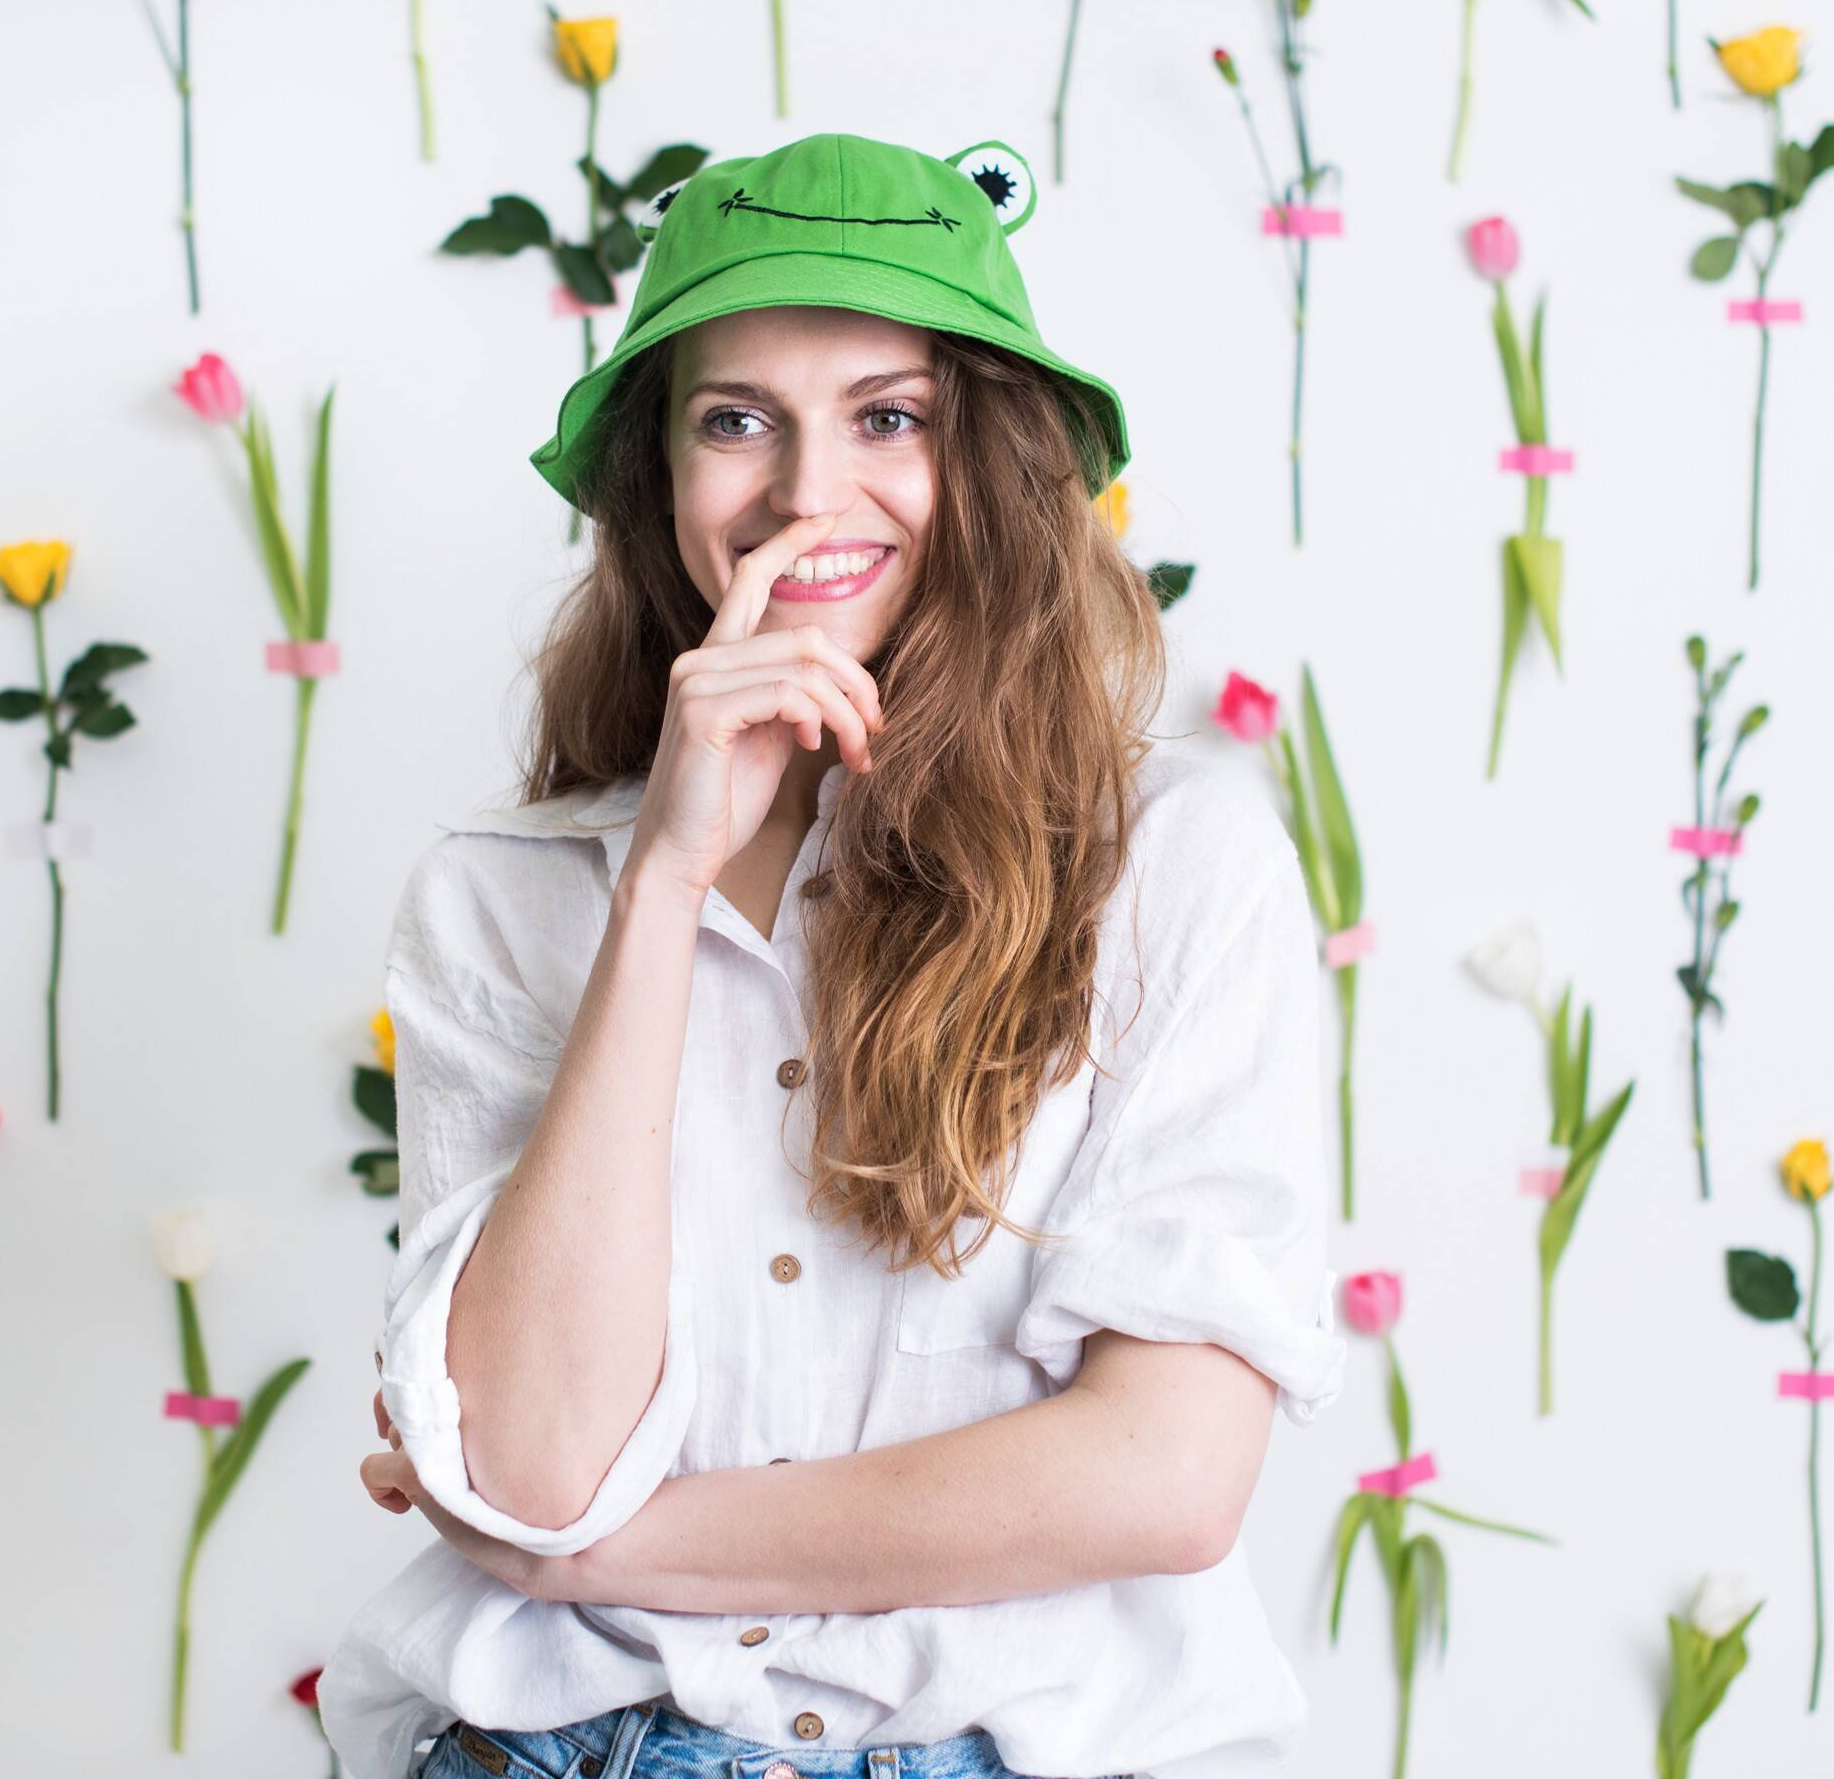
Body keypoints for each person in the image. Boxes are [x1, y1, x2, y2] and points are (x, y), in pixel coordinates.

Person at [317, 131, 1346, 1779]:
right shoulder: (499, 900)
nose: (806, 494)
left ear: (994, 460)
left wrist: (578, 1554)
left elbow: (1163, 1477)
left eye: (890, 417)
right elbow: (537, 1455)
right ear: (660, 477)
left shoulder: (1176, 869)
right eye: (737, 421)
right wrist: (663, 879)